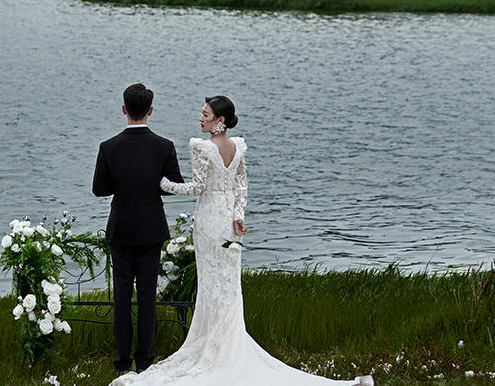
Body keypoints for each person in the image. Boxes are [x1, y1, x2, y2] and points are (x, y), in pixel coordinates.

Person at [112, 96, 373, 385]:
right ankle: (227, 345)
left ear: (219, 121)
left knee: (212, 283)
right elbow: (242, 185)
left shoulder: (201, 148)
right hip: (228, 222)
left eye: (206, 115)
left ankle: (215, 349)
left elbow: (198, 188)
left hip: (210, 219)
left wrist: (162, 183)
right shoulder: (237, 147)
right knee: (227, 284)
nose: (201, 119)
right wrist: (238, 216)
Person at [93, 83, 186, 375]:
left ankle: (122, 363)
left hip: (120, 229)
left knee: (122, 296)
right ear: (150, 111)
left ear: (124, 110)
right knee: (147, 296)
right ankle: (145, 360)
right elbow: (174, 186)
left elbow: (99, 190)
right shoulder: (164, 146)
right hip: (151, 229)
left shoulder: (108, 147)